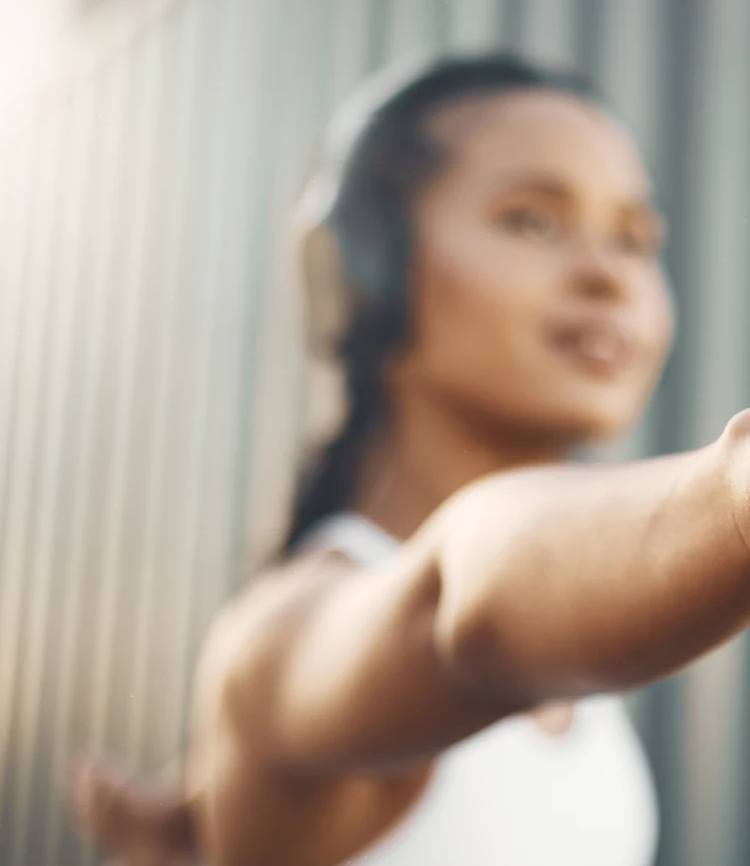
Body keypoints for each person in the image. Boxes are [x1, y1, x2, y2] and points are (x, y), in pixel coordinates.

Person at [69, 52, 750, 866]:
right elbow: (453, 605)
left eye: (637, 240)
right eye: (532, 219)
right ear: (366, 271)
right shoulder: (282, 639)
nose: (610, 275)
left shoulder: (582, 662)